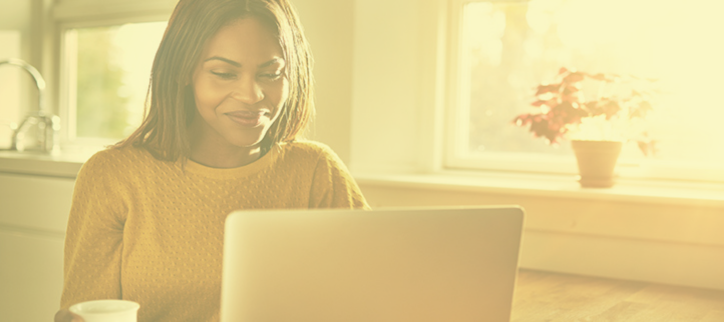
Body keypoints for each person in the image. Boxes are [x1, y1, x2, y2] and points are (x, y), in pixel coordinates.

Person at [54, 0, 368, 321]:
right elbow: (87, 310)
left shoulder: (316, 172)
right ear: (182, 71)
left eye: (271, 73)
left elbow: (375, 292)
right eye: (224, 73)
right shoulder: (114, 175)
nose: (252, 95)